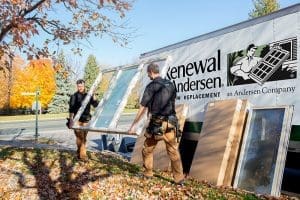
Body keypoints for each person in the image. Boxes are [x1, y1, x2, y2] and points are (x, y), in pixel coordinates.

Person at [128, 63, 184, 185]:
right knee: (173, 151)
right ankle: (179, 179)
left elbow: (142, 107)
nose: (148, 75)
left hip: (157, 124)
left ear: (151, 72)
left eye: (148, 73)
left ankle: (148, 173)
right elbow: (171, 101)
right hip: (171, 123)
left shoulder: (151, 86)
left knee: (147, 149)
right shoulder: (170, 84)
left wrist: (133, 125)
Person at [68, 79, 99, 160]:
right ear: (77, 86)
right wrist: (71, 120)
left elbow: (95, 105)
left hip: (86, 120)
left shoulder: (88, 95)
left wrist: (94, 95)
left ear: (84, 86)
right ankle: (83, 156)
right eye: (78, 86)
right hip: (77, 120)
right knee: (80, 137)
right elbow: (71, 109)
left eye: (81, 86)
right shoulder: (74, 96)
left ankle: (79, 153)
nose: (80, 88)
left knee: (83, 138)